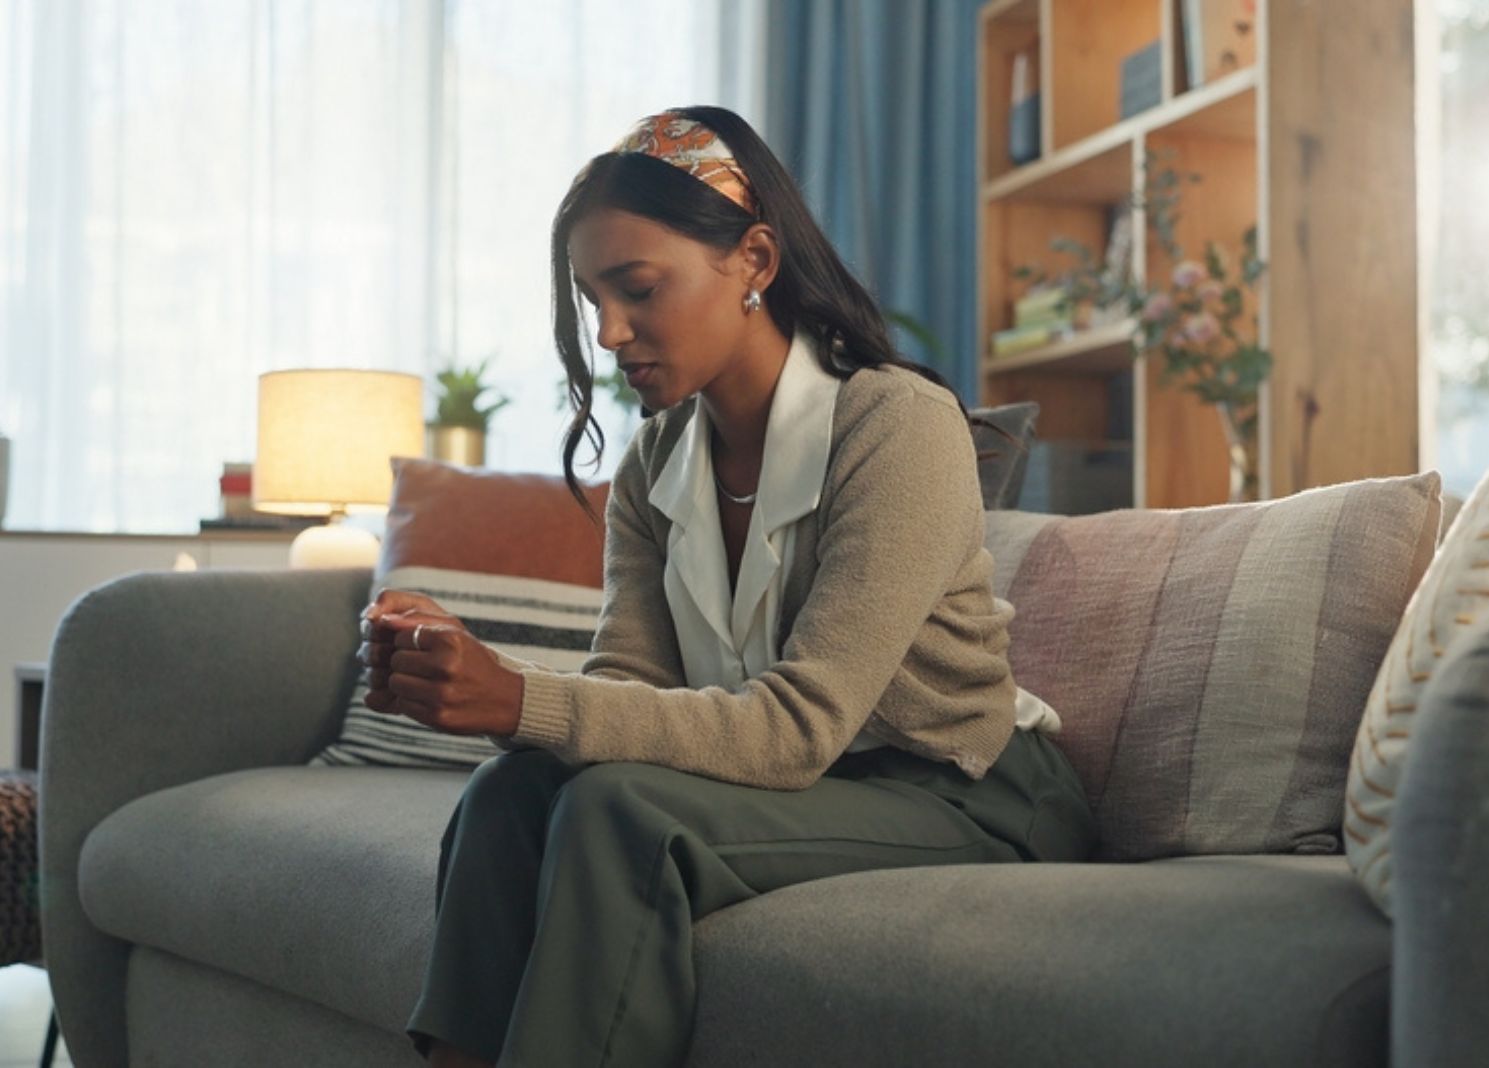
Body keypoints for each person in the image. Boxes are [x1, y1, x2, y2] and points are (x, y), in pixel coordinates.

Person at [356, 105, 1096, 1068]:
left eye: (638, 289)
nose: (612, 332)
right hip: (811, 788)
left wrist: (520, 694)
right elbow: (632, 692)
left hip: (965, 795)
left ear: (753, 260)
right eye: (593, 301)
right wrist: (483, 694)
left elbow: (797, 729)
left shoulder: (894, 426)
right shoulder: (653, 463)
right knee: (512, 794)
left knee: (622, 814)